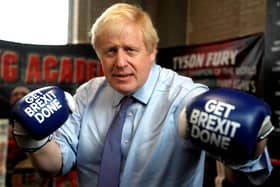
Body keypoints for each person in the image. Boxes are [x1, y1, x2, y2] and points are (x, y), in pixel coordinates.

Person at [11, 3, 273, 187]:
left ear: (151, 51)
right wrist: (32, 139)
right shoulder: (87, 94)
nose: (120, 62)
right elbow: (55, 165)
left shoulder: (185, 99)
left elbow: (252, 178)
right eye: (110, 51)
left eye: (131, 50)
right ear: (99, 55)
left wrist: (250, 149)